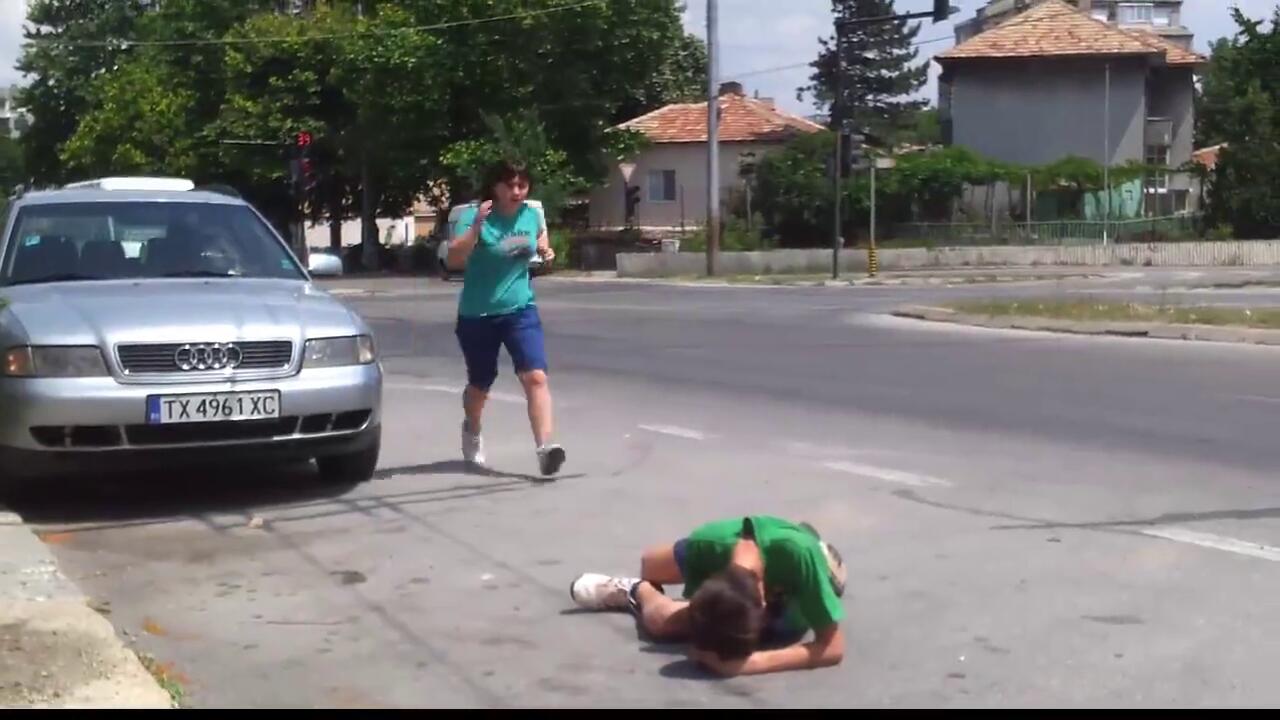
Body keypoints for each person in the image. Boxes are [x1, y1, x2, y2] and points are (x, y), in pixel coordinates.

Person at [568, 516, 847, 676]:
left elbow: (832, 648)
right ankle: (636, 588)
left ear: (764, 601)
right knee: (652, 576)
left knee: (666, 625)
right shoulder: (710, 546)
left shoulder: (800, 558)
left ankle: (816, 550)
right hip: (720, 550)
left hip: (795, 581)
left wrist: (749, 663)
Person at [446, 160, 565, 477]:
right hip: (478, 314)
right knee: (480, 383)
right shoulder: (476, 215)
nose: (516, 191)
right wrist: (475, 229)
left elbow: (540, 239)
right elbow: (454, 258)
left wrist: (546, 250)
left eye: (522, 185)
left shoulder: (531, 214)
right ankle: (472, 427)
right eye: (509, 185)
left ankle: (545, 448)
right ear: (494, 187)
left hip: (520, 309)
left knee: (535, 376)